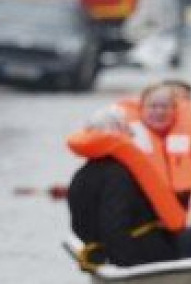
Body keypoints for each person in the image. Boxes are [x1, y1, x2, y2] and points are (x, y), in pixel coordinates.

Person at [66, 107, 183, 267]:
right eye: (128, 130)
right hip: (143, 253)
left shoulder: (82, 174)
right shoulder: (119, 175)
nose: (132, 135)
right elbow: (114, 223)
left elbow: (78, 225)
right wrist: (128, 263)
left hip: (104, 251)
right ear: (118, 133)